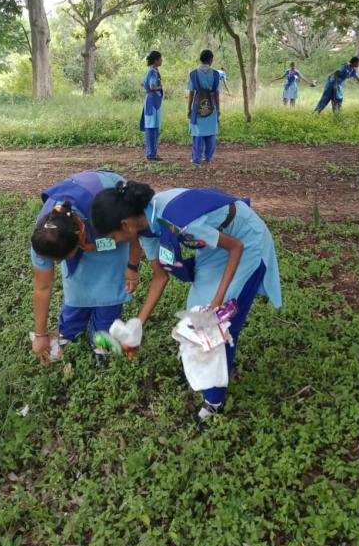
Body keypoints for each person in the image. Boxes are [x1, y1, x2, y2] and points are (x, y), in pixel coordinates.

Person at [90, 181, 282, 424]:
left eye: (113, 237)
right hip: (214, 244)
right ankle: (203, 372)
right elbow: (160, 277)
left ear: (125, 224)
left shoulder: (178, 222)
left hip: (243, 240)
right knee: (195, 313)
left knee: (216, 325)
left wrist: (217, 301)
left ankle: (213, 401)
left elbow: (236, 247)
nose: (115, 242)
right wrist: (138, 323)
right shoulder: (146, 227)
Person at [30, 170, 142, 366]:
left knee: (109, 291)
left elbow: (134, 233)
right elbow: (42, 287)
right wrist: (40, 335)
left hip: (109, 217)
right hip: (80, 231)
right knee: (76, 289)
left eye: (62, 259)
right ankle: (67, 334)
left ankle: (102, 342)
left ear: (79, 239)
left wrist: (132, 267)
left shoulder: (109, 211)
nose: (57, 264)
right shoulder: (44, 239)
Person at [188, 49, 221, 165]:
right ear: (211, 60)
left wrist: (189, 109)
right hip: (211, 105)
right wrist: (218, 108)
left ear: (201, 60)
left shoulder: (193, 74)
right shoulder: (216, 74)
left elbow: (191, 93)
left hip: (198, 105)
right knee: (210, 131)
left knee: (198, 132)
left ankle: (196, 159)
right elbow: (217, 93)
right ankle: (208, 158)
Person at [140, 50, 163, 162]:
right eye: (160, 58)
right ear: (156, 60)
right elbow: (152, 86)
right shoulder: (153, 72)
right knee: (151, 128)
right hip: (152, 102)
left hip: (153, 102)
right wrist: (160, 87)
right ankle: (150, 155)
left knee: (154, 127)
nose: (162, 60)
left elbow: (143, 83)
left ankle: (153, 153)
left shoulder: (151, 71)